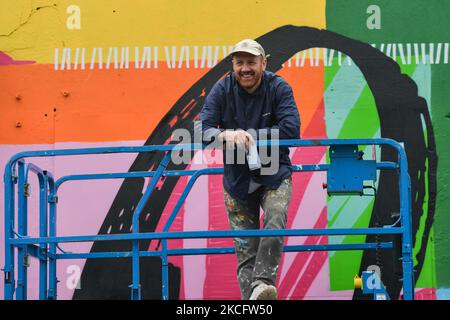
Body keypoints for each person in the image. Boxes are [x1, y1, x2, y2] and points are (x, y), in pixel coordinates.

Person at [197, 39, 301, 300]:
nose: (245, 68)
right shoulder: (222, 89)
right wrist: (226, 136)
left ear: (263, 63)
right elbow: (201, 130)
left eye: (251, 62)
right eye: (239, 62)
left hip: (274, 175)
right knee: (245, 251)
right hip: (237, 182)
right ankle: (253, 301)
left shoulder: (278, 87)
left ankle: (263, 283)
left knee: (276, 219)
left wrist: (251, 135)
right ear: (233, 65)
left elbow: (292, 129)